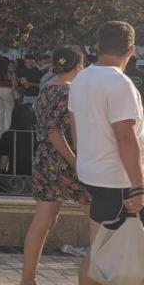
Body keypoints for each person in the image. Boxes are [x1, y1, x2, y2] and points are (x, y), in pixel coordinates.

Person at [69, 21, 144, 284]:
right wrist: (138, 186)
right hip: (119, 181)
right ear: (131, 50)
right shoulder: (120, 83)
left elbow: (74, 125)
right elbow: (126, 137)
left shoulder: (81, 78)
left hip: (93, 174)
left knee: (99, 253)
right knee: (110, 258)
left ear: (98, 47)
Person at [21, 46, 91, 285]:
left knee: (43, 220)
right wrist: (76, 161)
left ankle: (28, 278)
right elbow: (55, 130)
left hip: (43, 158)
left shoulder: (45, 89)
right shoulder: (71, 91)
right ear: (78, 65)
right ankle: (95, 275)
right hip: (66, 158)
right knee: (100, 218)